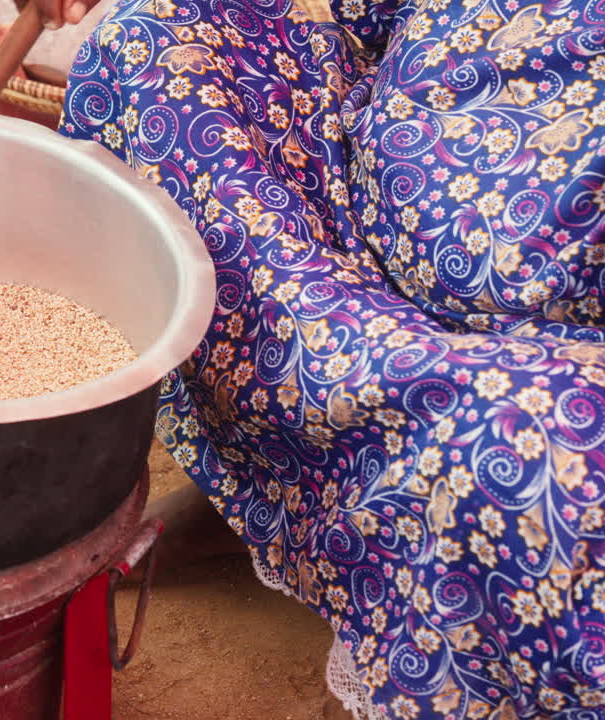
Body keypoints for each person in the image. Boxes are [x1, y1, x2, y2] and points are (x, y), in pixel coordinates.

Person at [40, 0, 605, 716]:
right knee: (149, 37)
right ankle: (260, 488)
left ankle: (398, 623)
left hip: (527, 347)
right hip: (341, 164)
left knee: (533, 446)